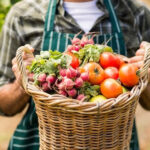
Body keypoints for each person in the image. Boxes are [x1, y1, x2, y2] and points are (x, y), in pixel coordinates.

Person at [0, 0, 150, 149]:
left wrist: (146, 76)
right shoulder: (22, 15)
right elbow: (4, 106)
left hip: (113, 142)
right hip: (39, 143)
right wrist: (22, 84)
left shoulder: (138, 14)